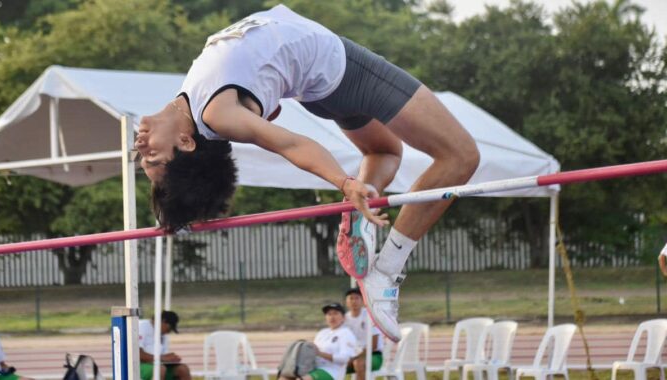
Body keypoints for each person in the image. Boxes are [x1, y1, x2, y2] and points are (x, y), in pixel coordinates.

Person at [135, 4, 480, 341]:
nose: (141, 148)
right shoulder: (216, 115)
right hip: (345, 71)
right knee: (461, 156)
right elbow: (291, 145)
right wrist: (344, 182)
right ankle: (387, 271)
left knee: (384, 151)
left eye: (143, 159)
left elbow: (260, 97)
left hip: (319, 85)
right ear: (186, 143)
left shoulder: (195, 107)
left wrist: (263, 103)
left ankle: (359, 215)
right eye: (153, 158)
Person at [280, 303, 358, 380]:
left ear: (343, 318)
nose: (332, 317)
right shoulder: (322, 333)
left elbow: (345, 358)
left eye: (335, 313)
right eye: (329, 314)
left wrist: (320, 354)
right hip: (312, 368)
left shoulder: (346, 333)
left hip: (331, 371)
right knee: (284, 378)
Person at [138, 311, 191, 380]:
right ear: (163, 321)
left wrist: (171, 358)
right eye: (169, 328)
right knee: (160, 370)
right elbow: (137, 354)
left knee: (183, 369)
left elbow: (163, 356)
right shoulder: (142, 326)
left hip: (157, 364)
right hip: (140, 365)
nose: (169, 332)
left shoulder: (163, 334)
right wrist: (162, 358)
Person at [343, 288, 383, 380]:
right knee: (330, 364)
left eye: (357, 298)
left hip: (373, 356)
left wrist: (353, 358)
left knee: (358, 363)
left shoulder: (371, 316)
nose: (354, 301)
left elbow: (374, 345)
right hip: (351, 356)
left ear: (362, 300)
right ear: (346, 302)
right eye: (351, 298)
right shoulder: (344, 319)